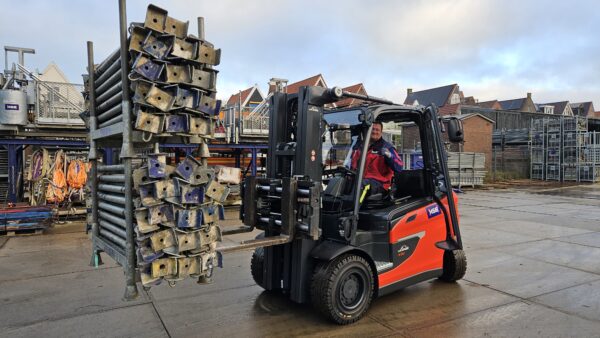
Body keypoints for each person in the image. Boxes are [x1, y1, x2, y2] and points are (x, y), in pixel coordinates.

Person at [351, 121, 403, 196]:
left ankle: (354, 207)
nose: (374, 131)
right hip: (362, 179)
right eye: (373, 129)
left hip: (380, 183)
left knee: (362, 185)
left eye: (377, 130)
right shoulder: (361, 146)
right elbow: (353, 164)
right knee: (342, 181)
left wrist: (389, 155)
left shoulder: (387, 147)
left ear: (381, 132)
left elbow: (399, 166)